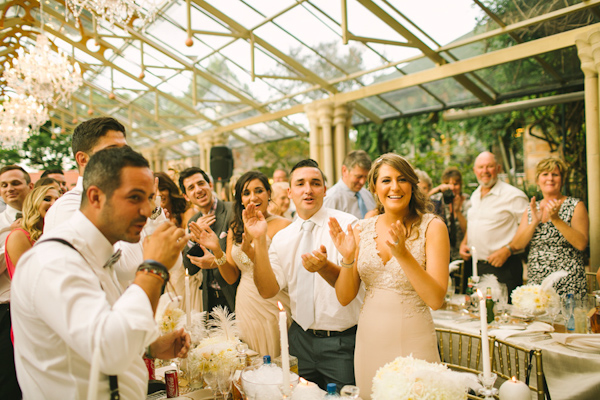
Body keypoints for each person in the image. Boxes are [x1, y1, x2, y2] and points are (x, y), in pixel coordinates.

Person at [11, 146, 191, 399]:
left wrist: (148, 347)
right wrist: (153, 268)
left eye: (151, 198)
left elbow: (91, 334)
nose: (147, 210)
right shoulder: (54, 261)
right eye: (135, 198)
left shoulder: (99, 254)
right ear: (95, 197)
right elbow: (109, 351)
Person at [329, 153, 449, 399]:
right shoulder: (361, 228)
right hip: (369, 341)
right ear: (374, 187)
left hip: (414, 340)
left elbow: (436, 300)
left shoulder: (433, 227)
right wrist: (348, 259)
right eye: (386, 180)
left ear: (412, 185)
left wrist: (403, 254)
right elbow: (344, 297)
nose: (395, 187)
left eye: (402, 179)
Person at [243, 159, 362, 391]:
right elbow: (267, 289)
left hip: (341, 342)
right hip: (298, 340)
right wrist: (258, 240)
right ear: (290, 191)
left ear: (325, 190)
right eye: (300, 184)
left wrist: (325, 266)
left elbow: (352, 288)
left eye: (315, 183)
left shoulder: (348, 226)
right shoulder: (282, 237)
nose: (308, 189)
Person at [190, 171, 291, 356]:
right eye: (246, 193)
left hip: (272, 301)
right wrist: (217, 251)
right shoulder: (236, 227)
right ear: (241, 200)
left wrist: (253, 252)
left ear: (269, 193)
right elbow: (230, 277)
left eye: (259, 190)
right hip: (246, 303)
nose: (253, 197)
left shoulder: (284, 225)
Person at [508, 158, 589, 297]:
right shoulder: (532, 208)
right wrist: (534, 221)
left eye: (555, 175)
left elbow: (581, 244)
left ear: (562, 180)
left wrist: (556, 219)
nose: (550, 178)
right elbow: (517, 245)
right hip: (538, 284)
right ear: (538, 180)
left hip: (568, 283)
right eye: (545, 174)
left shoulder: (575, 205)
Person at [459, 151, 528, 297]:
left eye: (489, 166)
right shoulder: (475, 195)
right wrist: (464, 243)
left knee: (504, 315)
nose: (485, 171)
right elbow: (474, 223)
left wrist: (509, 249)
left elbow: (528, 229)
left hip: (504, 266)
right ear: (475, 171)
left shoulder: (514, 195)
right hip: (476, 267)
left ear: (498, 168)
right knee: (475, 313)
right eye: (481, 167)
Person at [180, 167, 237, 313]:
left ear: (210, 185)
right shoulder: (193, 221)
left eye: (201, 183)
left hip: (234, 294)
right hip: (209, 298)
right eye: (191, 188)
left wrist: (215, 261)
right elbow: (189, 269)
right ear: (186, 196)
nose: (198, 190)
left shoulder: (232, 211)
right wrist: (192, 238)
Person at [0, 165, 33, 400]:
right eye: (4, 185)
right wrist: (12, 242)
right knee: (11, 381)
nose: (9, 189)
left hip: (41, 310)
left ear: (30, 186)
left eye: (15, 183)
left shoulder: (47, 216)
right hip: (6, 311)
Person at [5, 185, 60, 278]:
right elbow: (31, 276)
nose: (53, 204)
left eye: (58, 201)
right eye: (47, 199)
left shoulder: (56, 232)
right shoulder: (19, 235)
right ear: (33, 203)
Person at [429, 167, 471, 261]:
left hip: (462, 253)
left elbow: (468, 231)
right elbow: (421, 202)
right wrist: (437, 189)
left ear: (460, 185)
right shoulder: (439, 200)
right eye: (447, 184)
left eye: (455, 184)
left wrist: (457, 211)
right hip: (442, 254)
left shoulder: (467, 201)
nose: (451, 187)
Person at [324, 150, 376, 219]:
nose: (363, 182)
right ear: (344, 170)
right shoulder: (331, 198)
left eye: (365, 176)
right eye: (358, 176)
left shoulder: (367, 194)